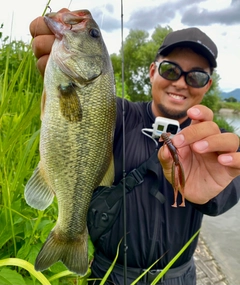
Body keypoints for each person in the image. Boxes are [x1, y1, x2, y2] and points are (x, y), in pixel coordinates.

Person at [29, 8, 240, 285]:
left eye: (196, 76)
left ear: (208, 85)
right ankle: (69, 233)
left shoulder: (215, 142)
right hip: (108, 274)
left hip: (178, 277)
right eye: (170, 69)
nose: (180, 82)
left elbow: (232, 186)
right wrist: (57, 69)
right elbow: (70, 117)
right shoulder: (115, 114)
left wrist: (214, 192)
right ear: (153, 71)